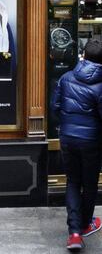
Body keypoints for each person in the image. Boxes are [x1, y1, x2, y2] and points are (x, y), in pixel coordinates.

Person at [52, 39, 102, 251]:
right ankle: (85, 224)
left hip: (68, 138)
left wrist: (66, 124)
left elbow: (55, 107)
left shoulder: (66, 77)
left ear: (83, 55)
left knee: (72, 181)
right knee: (89, 184)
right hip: (91, 141)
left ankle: (74, 233)